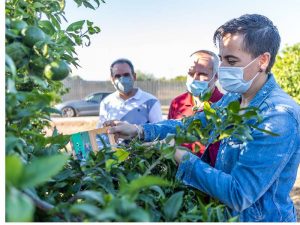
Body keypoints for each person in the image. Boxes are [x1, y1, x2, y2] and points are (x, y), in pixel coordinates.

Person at [105, 14, 300, 222]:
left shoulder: (278, 116)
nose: (223, 68)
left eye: (231, 61)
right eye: (222, 58)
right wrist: (139, 131)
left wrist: (179, 154)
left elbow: (238, 193)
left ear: (262, 60)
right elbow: (192, 125)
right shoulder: (234, 99)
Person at [168, 50, 223, 165]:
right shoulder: (178, 103)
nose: (194, 78)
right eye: (191, 73)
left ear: (216, 76)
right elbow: (169, 135)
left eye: (202, 74)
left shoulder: (224, 104)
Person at [96, 58, 163, 128]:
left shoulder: (151, 102)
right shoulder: (106, 103)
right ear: (112, 79)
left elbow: (159, 131)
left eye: (126, 75)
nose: (122, 80)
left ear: (134, 76)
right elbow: (101, 132)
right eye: (117, 76)